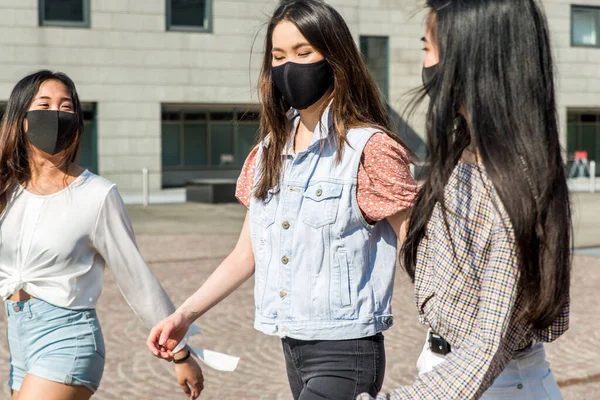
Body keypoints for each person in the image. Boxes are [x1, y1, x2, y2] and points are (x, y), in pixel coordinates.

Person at [147, 0, 417, 398]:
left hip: (346, 350)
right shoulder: (268, 152)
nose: (289, 66)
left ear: (336, 58)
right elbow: (245, 254)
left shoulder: (370, 148)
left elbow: (417, 246)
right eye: (278, 56)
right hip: (292, 348)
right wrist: (184, 315)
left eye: (303, 52)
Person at [359, 0, 571, 399]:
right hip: (453, 371)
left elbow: (485, 348)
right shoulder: (466, 153)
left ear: (471, 58)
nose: (424, 65)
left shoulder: (510, 182)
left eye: (428, 48)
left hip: (493, 385)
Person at [0, 70, 235, 400]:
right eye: (45, 104)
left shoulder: (97, 195)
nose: (56, 114)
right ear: (21, 119)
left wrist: (180, 352)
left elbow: (136, 279)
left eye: (66, 107)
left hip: (68, 339)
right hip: (19, 339)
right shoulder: (8, 190)